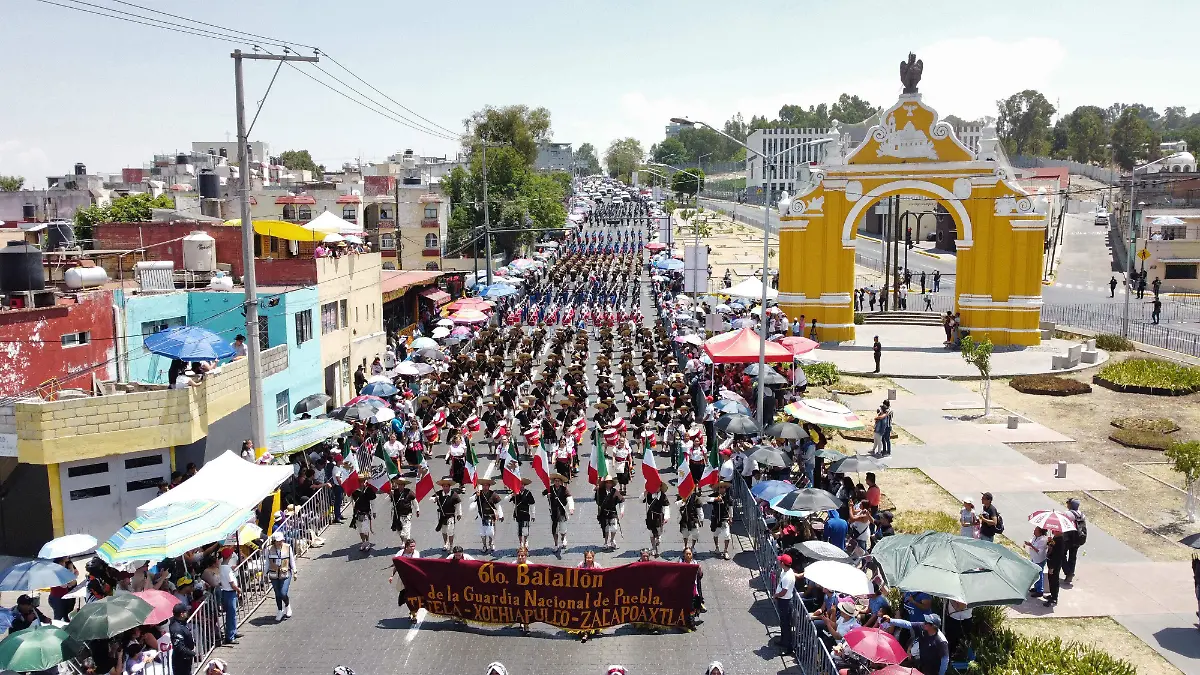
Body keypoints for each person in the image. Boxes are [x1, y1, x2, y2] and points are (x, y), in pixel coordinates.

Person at [882, 613, 949, 675]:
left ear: (933, 626)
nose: (924, 623)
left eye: (927, 622)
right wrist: (890, 620)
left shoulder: (941, 641)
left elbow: (945, 660)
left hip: (933, 670)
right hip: (921, 663)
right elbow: (907, 624)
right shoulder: (922, 627)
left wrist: (940, 674)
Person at [266, 530, 297, 621]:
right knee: (277, 593)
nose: (280, 542)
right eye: (278, 541)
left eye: (281, 540)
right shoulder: (269, 549)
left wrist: (295, 571)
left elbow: (291, 560)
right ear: (274, 541)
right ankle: (280, 610)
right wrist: (264, 574)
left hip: (285, 572)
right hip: (274, 574)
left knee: (283, 592)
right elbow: (267, 562)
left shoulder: (288, 547)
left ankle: (287, 605)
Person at [545, 473, 574, 555]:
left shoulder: (564, 489)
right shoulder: (550, 488)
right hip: (553, 512)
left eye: (558, 481)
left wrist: (571, 508)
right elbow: (542, 494)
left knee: (563, 528)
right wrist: (547, 495)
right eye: (555, 481)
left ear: (561, 482)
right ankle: (556, 544)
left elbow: (569, 498)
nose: (557, 482)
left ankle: (563, 537)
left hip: (561, 511)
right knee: (554, 529)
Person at [217, 549, 242, 645]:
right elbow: (232, 584)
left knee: (232, 614)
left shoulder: (222, 566)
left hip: (226, 592)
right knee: (231, 615)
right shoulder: (226, 568)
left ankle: (233, 632)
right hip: (230, 592)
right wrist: (238, 589)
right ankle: (230, 636)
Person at [773, 554, 796, 656]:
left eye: (780, 561)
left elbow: (784, 591)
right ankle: (783, 641)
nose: (779, 562)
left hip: (785, 602)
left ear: (783, 563)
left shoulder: (788, 576)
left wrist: (776, 595)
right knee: (783, 623)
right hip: (783, 601)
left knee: (786, 625)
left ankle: (789, 648)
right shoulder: (786, 571)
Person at [475, 478, 504, 554]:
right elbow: (471, 501)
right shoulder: (478, 493)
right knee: (482, 532)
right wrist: (476, 496)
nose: (485, 487)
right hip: (481, 515)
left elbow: (498, 505)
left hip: (490, 516)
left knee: (491, 532)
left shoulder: (493, 494)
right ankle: (484, 546)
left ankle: (491, 543)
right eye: (483, 485)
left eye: (486, 485)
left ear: (489, 486)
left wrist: (501, 515)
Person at [434, 478, 463, 552]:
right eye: (444, 486)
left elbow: (458, 504)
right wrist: (435, 499)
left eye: (447, 486)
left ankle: (451, 545)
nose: (445, 488)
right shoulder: (439, 493)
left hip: (450, 516)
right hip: (442, 516)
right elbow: (431, 498)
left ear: (449, 487)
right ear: (442, 487)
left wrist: (459, 514)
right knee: (444, 531)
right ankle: (445, 543)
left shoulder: (454, 494)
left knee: (450, 531)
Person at [169, 603, 197, 675]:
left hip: (185, 659)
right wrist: (192, 653)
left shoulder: (181, 623)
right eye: (186, 611)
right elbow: (179, 647)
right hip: (181, 661)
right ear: (181, 614)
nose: (188, 612)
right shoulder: (176, 628)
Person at [509, 478, 536, 550]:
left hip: (526, 513)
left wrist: (533, 514)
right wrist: (512, 495)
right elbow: (505, 500)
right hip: (518, 513)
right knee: (519, 529)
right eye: (520, 484)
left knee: (526, 529)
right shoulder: (515, 492)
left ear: (524, 485)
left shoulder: (528, 493)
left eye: (522, 485)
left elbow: (532, 504)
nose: (521, 486)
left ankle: (526, 540)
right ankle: (520, 542)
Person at [1063, 497, 1086, 583]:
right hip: (1078, 538)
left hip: (1068, 538)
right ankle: (1071, 573)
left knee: (1062, 554)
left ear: (1071, 505)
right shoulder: (1082, 515)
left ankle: (1068, 572)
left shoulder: (1067, 514)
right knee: (1073, 556)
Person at [1024, 526, 1048, 597]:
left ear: (1040, 532)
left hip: (1039, 559)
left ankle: (1040, 591)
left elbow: (1039, 552)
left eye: (1036, 530)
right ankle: (1036, 587)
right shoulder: (1035, 537)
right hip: (1034, 558)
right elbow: (1031, 541)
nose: (1034, 531)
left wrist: (1031, 545)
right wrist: (1028, 544)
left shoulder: (1043, 540)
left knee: (1039, 575)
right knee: (1035, 574)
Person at [352, 484, 377, 552]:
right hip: (357, 513)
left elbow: (373, 502)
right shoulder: (354, 490)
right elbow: (351, 499)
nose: (361, 482)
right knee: (360, 529)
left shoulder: (368, 490)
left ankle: (367, 542)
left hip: (366, 512)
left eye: (362, 480)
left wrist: (374, 512)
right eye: (359, 481)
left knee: (365, 529)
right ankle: (363, 542)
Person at [1044, 529, 1065, 607]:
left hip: (1054, 564)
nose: (1053, 531)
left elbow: (1057, 556)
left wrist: (1052, 567)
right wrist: (1049, 542)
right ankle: (1052, 595)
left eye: (1055, 530)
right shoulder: (1055, 538)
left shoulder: (1060, 541)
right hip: (1051, 563)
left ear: (1060, 532)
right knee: (1050, 579)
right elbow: (1051, 545)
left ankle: (1054, 598)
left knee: (1054, 581)